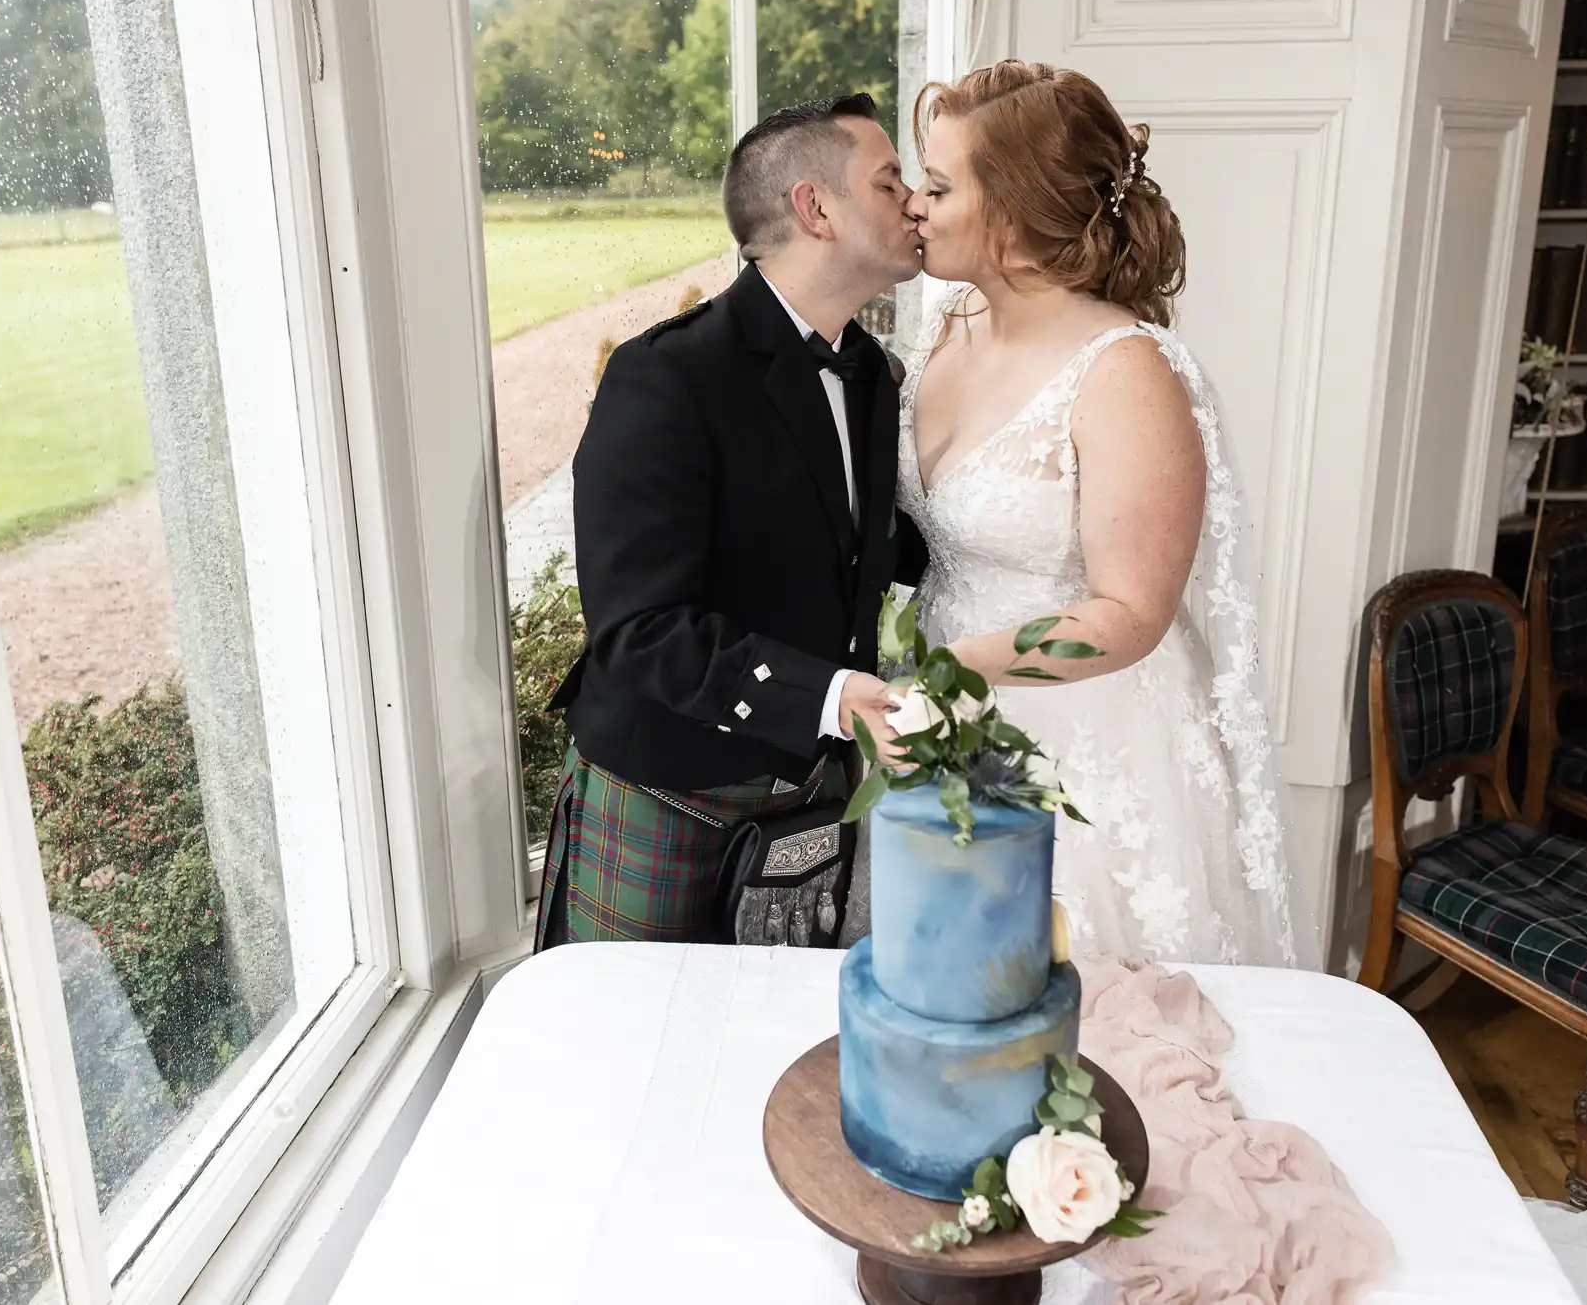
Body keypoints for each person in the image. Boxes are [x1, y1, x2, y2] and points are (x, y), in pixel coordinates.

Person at [897, 61, 1322, 968]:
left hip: (1083, 743)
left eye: (937, 186)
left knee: (1072, 1022)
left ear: (1010, 211)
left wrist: (952, 677)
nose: (914, 205)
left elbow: (1130, 614)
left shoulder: (1126, 370)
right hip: (939, 719)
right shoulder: (947, 326)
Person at [536, 93, 929, 948]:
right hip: (668, 791)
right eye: (890, 179)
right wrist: (830, 698)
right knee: (638, 1059)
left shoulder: (868, 372)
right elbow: (637, 630)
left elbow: (850, 543)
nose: (916, 200)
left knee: (777, 1050)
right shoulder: (666, 377)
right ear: (815, 207)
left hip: (813, 787)